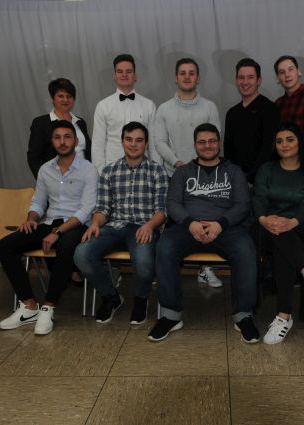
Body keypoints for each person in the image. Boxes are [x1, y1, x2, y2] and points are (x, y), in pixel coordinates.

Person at [148, 123, 260, 343]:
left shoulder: (234, 171)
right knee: (165, 247)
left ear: (219, 143)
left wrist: (220, 224)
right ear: (195, 145)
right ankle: (170, 315)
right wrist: (190, 223)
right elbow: (173, 203)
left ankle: (243, 316)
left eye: (212, 141)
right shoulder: (182, 172)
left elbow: (243, 204)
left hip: (226, 228)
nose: (207, 146)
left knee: (246, 250)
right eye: (202, 142)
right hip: (188, 227)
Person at [0, 120, 98, 335]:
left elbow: (87, 209)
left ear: (76, 141)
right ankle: (28, 306)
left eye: (67, 137)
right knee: (5, 245)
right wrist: (31, 218)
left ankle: (48, 307)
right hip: (50, 222)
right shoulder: (45, 169)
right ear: (52, 141)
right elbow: (38, 202)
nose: (62, 142)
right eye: (57, 137)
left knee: (67, 246)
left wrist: (57, 233)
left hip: (77, 224)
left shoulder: (89, 170)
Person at [73, 122, 168, 324]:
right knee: (81, 254)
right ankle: (111, 297)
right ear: (122, 141)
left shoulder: (157, 171)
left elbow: (161, 211)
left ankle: (141, 300)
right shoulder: (109, 171)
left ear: (146, 143)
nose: (133, 144)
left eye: (139, 140)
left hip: (144, 226)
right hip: (114, 227)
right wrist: (95, 224)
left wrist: (150, 225)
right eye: (129, 139)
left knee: (144, 261)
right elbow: (103, 209)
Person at [253, 122, 304, 344]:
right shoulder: (266, 169)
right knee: (280, 238)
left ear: (299, 142)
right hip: (265, 228)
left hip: (298, 227)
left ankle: (284, 316)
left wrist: (292, 222)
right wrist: (265, 219)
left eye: (290, 139)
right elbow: (258, 198)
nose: (284, 145)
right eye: (279, 141)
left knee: (283, 248)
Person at [153, 57, 223, 287]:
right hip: (174, 173)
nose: (187, 77)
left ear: (198, 78)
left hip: (205, 176)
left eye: (191, 73)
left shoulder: (209, 107)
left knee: (204, 219)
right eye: (182, 73)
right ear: (176, 78)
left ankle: (205, 268)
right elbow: (159, 141)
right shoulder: (164, 108)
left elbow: (213, 140)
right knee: (176, 225)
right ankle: (166, 271)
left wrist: (198, 166)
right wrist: (178, 164)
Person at [91, 54, 158, 171]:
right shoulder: (103, 106)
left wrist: (156, 169)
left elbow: (153, 143)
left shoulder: (149, 105)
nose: (124, 75)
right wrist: (101, 172)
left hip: (143, 169)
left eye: (129, 71)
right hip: (112, 169)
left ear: (135, 76)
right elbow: (98, 144)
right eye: (120, 71)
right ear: (115, 76)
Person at [224, 58, 279, 183]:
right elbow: (228, 151)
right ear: (236, 80)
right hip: (236, 180)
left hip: (264, 180)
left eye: (250, 77)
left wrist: (251, 178)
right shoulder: (231, 113)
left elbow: (269, 148)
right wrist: (235, 176)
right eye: (241, 77)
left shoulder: (270, 109)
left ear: (259, 80)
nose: (245, 82)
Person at [27, 78, 91, 179]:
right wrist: (45, 181)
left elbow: (88, 152)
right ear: (53, 98)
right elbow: (33, 158)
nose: (65, 100)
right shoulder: (40, 123)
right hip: (57, 180)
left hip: (84, 178)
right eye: (61, 96)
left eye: (69, 96)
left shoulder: (80, 122)